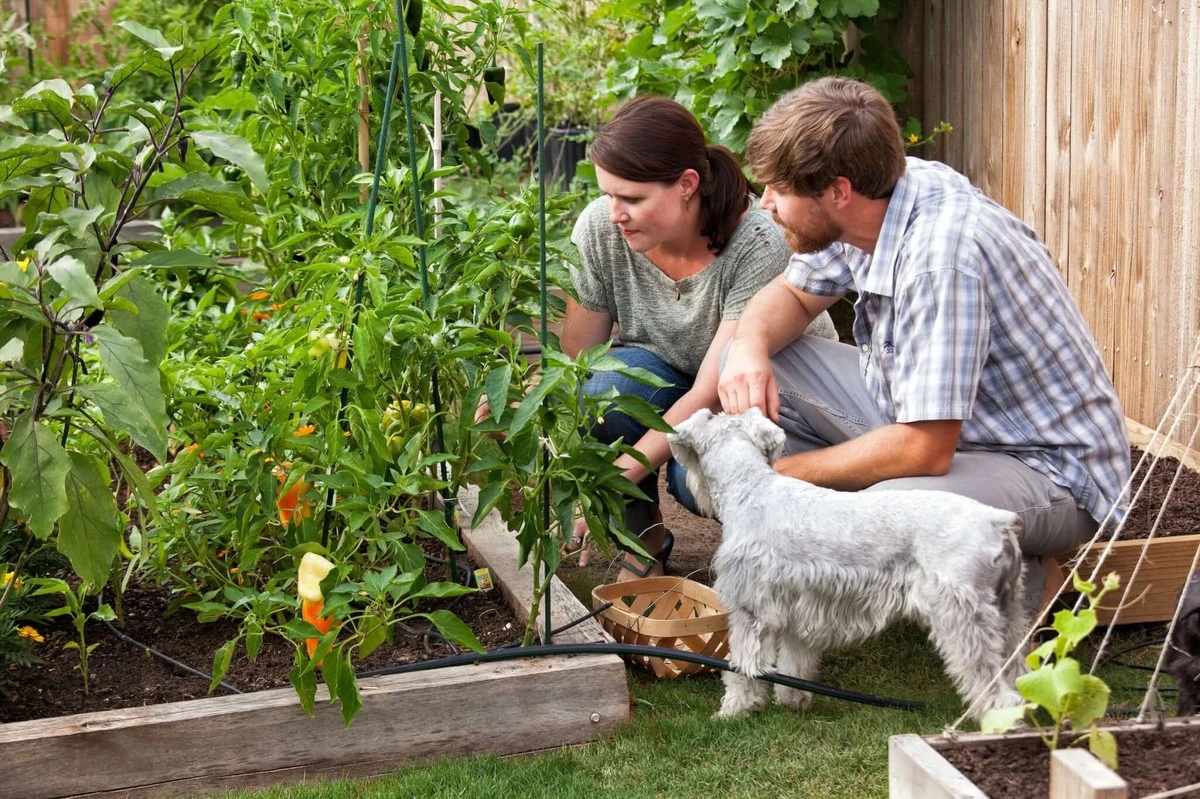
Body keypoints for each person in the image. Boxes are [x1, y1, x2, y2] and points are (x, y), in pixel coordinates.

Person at [717, 77, 1130, 615]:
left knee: (877, 516)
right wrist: (747, 346)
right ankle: (1009, 562)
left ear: (838, 191)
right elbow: (792, 296)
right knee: (754, 359)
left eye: (778, 188)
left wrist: (778, 479)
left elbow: (924, 450)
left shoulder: (941, 258)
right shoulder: (887, 197)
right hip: (940, 427)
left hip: (1044, 469)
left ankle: (1029, 591)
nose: (765, 202)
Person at [561, 95, 837, 580]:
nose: (614, 214)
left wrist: (610, 480)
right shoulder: (603, 232)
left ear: (687, 185)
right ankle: (641, 544)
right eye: (608, 195)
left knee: (698, 481)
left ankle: (783, 557)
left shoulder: (755, 240)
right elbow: (578, 361)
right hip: (673, 379)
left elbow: (711, 388)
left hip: (762, 398)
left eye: (632, 199)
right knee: (602, 389)